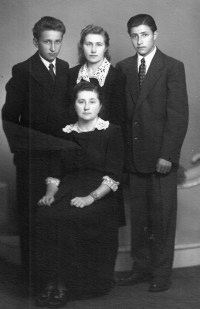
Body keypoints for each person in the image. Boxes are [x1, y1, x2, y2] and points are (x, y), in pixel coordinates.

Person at [35, 81, 124, 308]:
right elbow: (55, 172)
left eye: (92, 101)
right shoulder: (64, 133)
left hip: (100, 193)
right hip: (68, 188)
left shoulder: (112, 132)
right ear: (74, 105)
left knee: (75, 218)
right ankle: (51, 281)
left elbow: (113, 176)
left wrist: (90, 198)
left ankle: (67, 284)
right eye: (81, 101)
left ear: (100, 105)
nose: (86, 107)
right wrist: (50, 193)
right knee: (46, 214)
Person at [116, 14, 189, 292]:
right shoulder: (123, 68)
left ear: (155, 35)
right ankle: (141, 267)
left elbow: (178, 115)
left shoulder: (172, 67)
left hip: (161, 159)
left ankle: (161, 273)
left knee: (162, 218)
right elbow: (123, 117)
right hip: (134, 158)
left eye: (144, 34)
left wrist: (168, 155)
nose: (139, 41)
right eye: (134, 35)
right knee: (140, 218)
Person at [1, 16, 70, 290]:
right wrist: (24, 154)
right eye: (47, 41)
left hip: (62, 159)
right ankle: (36, 284)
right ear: (35, 41)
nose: (53, 47)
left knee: (59, 220)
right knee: (34, 220)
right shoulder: (23, 71)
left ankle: (59, 280)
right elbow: (9, 119)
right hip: (33, 160)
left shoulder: (65, 69)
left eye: (57, 41)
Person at [68, 24, 126, 129]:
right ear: (82, 46)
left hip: (105, 140)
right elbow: (68, 114)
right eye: (88, 44)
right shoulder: (72, 74)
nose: (93, 50)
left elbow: (119, 120)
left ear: (106, 47)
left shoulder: (117, 77)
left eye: (99, 44)